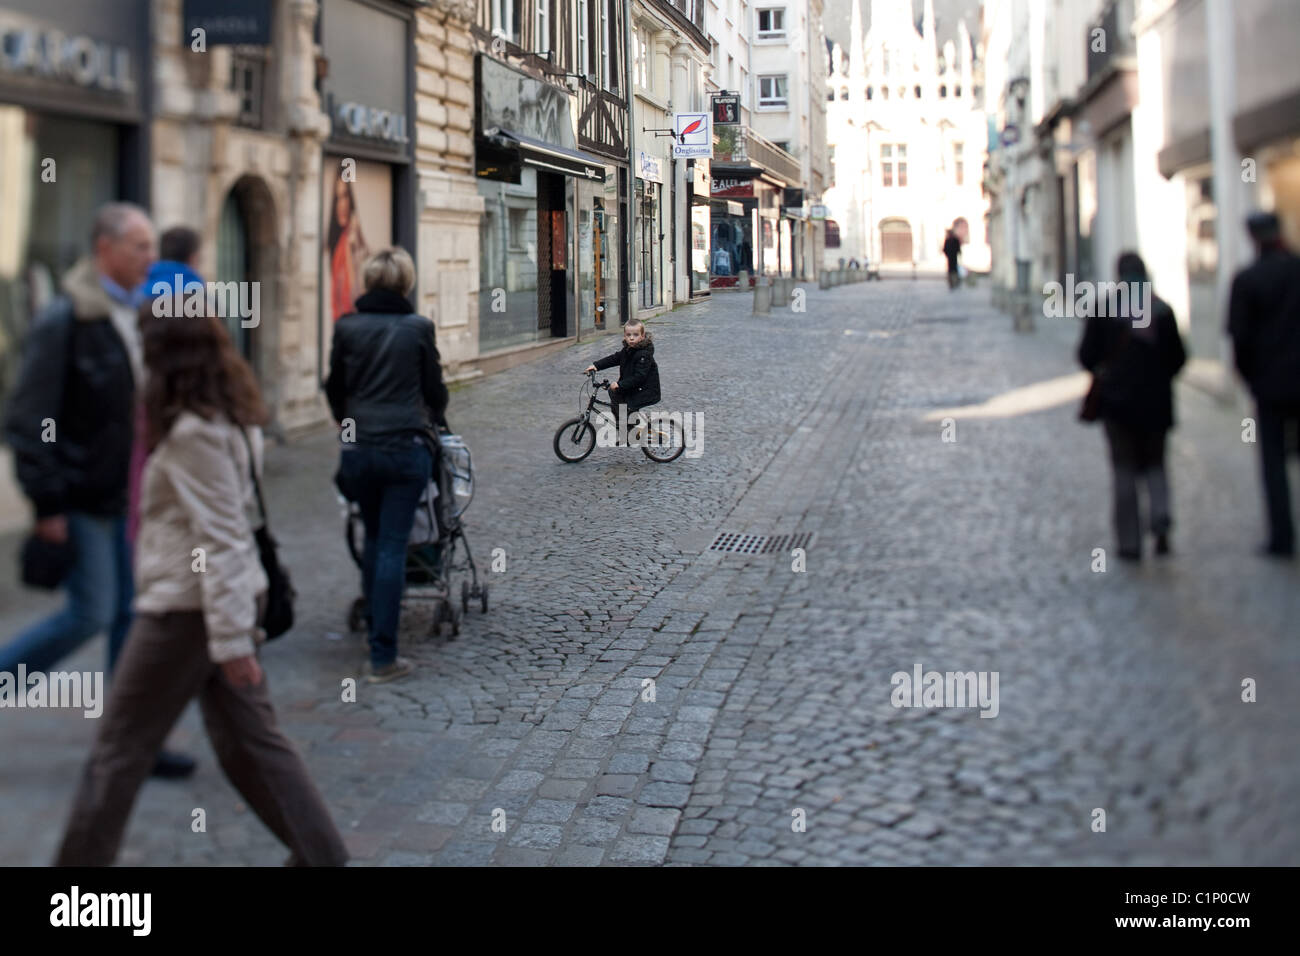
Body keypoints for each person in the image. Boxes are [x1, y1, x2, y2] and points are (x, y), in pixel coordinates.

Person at [55, 305, 349, 867]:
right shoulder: (228, 417)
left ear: (164, 357)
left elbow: (223, 535)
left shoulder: (193, 432)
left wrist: (234, 639)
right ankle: (321, 855)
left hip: (186, 609)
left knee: (118, 751)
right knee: (250, 749)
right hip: (214, 603)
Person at [326, 248, 448, 684]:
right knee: (393, 544)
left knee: (374, 537)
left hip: (359, 451)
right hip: (404, 448)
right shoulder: (417, 328)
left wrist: (350, 426)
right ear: (406, 284)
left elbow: (335, 389)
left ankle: (376, 631)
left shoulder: (347, 327)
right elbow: (435, 392)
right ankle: (383, 656)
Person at [1078, 251, 1188, 561]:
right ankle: (1161, 517)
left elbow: (1087, 356)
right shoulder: (1162, 310)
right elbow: (1178, 358)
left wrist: (1108, 370)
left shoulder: (1105, 309)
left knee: (1123, 468)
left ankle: (1129, 541)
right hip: (1156, 404)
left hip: (1117, 405)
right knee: (1155, 463)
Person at [1228, 211, 1300, 558]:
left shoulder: (1248, 280)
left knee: (1273, 463)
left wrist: (1250, 377)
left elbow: (1239, 339)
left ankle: (1282, 538)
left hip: (1270, 385)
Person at [584, 318, 661, 436]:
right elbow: (615, 358)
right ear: (624, 335)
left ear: (642, 336)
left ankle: (632, 429)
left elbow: (639, 377)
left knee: (627, 404)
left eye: (635, 335)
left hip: (645, 391)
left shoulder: (643, 354)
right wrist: (596, 366)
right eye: (628, 335)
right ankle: (626, 425)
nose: (631, 338)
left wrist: (620, 384)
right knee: (613, 392)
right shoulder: (628, 350)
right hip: (634, 387)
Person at [327, 178, 369, 323]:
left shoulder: (357, 247)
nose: (341, 205)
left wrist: (352, 249)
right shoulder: (336, 246)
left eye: (345, 196)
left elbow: (356, 296)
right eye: (338, 198)